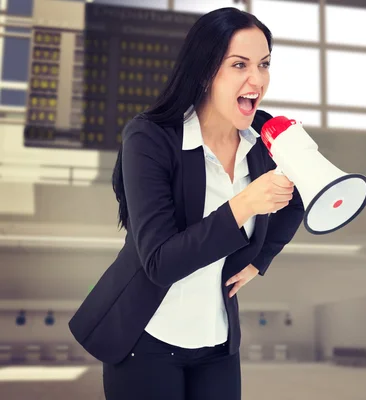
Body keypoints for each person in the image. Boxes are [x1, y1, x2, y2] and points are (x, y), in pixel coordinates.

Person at [68, 7, 304, 400]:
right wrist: (243, 204)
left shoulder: (266, 134)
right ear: (205, 68)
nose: (257, 79)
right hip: (144, 340)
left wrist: (259, 260)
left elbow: (298, 200)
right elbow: (161, 262)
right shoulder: (150, 138)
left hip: (215, 342)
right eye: (239, 64)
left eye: (263, 64)